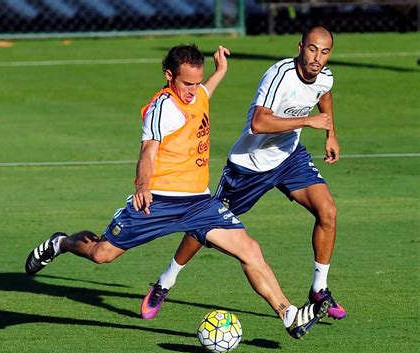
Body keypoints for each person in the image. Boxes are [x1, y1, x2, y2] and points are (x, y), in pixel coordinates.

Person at [25, 44, 330, 339]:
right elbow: (148, 151)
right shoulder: (162, 108)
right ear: (169, 76)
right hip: (157, 202)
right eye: (186, 83)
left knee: (249, 249)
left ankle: (289, 314)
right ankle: (61, 243)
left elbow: (205, 91)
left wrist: (220, 70)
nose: (193, 90)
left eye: (197, 82)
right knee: (102, 254)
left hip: (198, 202)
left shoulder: (197, 93)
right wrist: (142, 185)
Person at [142, 26, 346, 320]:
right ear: (300, 46)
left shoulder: (325, 75)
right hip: (248, 165)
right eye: (312, 49)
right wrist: (309, 121)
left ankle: (319, 290)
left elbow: (324, 94)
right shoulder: (279, 75)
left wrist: (330, 133)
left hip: (289, 158)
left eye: (324, 52)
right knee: (204, 226)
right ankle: (165, 281)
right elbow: (258, 124)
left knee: (328, 211)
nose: (317, 57)